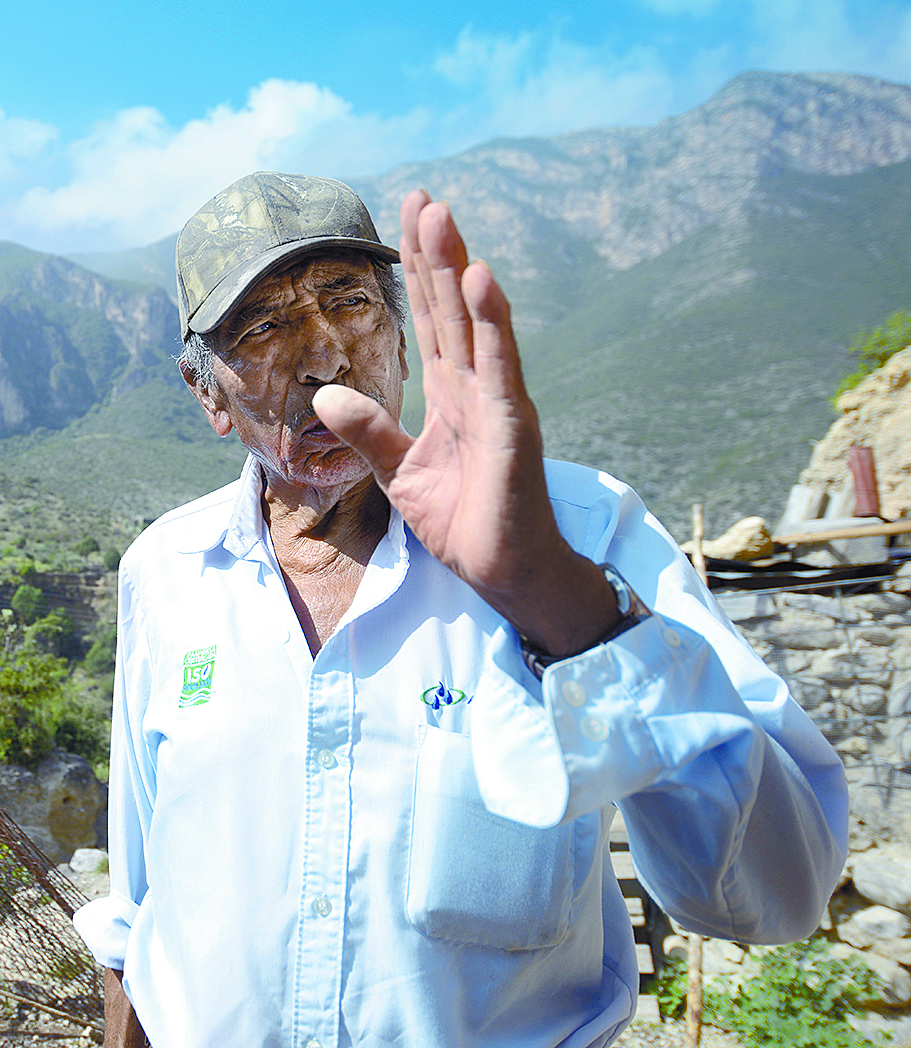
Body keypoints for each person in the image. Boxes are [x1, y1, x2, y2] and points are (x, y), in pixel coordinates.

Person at [72, 172, 847, 1048]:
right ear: (207, 395)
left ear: (401, 342)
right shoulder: (165, 571)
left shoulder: (578, 533)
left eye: (349, 303)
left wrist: (565, 608)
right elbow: (142, 914)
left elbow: (777, 892)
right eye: (264, 327)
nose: (325, 357)